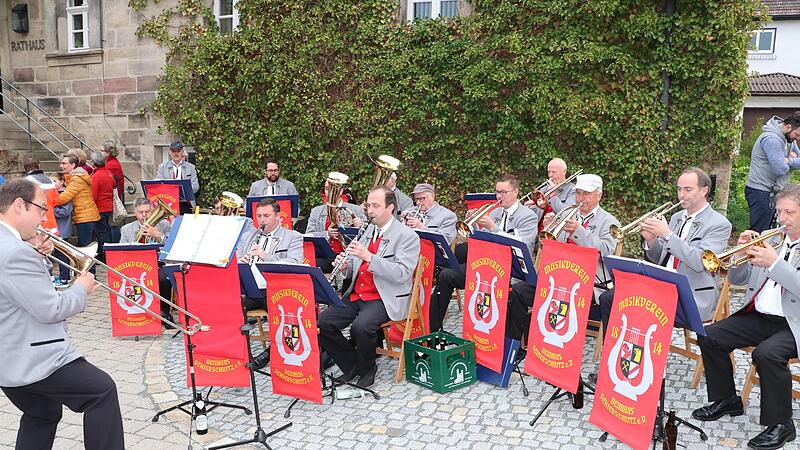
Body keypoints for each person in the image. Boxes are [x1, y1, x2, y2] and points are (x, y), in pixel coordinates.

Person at [0, 178, 124, 449]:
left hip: (8, 360)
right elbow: (50, 309)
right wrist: (81, 289)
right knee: (102, 391)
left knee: (42, 413)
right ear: (19, 206)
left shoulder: (12, 245)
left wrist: (39, 257)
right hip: (32, 359)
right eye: (41, 209)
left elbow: (21, 293)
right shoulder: (14, 251)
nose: (44, 218)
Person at [692, 184, 800, 450]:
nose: (782, 218)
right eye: (779, 211)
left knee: (766, 354)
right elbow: (738, 277)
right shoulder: (770, 239)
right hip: (760, 316)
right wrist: (741, 254)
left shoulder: (774, 251)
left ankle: (782, 424)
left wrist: (774, 263)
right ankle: (728, 399)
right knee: (709, 334)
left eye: (789, 212)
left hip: (793, 322)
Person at [599, 167, 732, 334]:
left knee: (640, 306)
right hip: (663, 287)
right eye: (679, 189)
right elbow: (660, 259)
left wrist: (667, 235)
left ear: (704, 191)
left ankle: (641, 352)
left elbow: (699, 262)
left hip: (690, 295)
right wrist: (651, 240)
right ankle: (616, 351)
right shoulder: (677, 218)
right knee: (609, 298)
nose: (681, 194)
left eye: (688, 189)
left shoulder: (719, 224)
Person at [318, 186, 420, 388]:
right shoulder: (367, 230)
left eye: (375, 206)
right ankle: (352, 365)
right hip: (358, 294)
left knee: (361, 326)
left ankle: (367, 368)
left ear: (390, 208)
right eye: (368, 205)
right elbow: (355, 266)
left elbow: (402, 274)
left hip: (385, 296)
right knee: (323, 322)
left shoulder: (407, 236)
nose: (369, 210)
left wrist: (369, 257)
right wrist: (345, 266)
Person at [506, 174, 619, 341]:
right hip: (556, 278)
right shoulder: (567, 213)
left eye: (586, 194)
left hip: (586, 284)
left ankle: (550, 345)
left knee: (561, 298)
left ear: (599, 195)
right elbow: (550, 247)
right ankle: (513, 344)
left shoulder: (609, 222)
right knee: (518, 291)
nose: (580, 199)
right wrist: (551, 229)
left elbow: (606, 253)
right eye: (578, 193)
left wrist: (579, 232)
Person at [428, 174, 538, 332]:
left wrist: (493, 227)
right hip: (488, 265)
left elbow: (521, 244)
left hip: (510, 270)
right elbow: (482, 242)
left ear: (516, 192)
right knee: (446, 275)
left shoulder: (528, 216)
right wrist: (473, 228)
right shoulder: (494, 214)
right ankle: (435, 330)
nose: (499, 196)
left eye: (503, 192)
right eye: (497, 192)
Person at [237, 198, 305, 369]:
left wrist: (266, 257)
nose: (262, 220)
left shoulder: (292, 237)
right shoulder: (247, 237)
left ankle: (269, 354)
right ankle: (240, 352)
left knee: (284, 317)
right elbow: (233, 260)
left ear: (278, 217)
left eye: (266, 216)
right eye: (259, 216)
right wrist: (240, 261)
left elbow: (296, 263)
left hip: (276, 289)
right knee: (230, 308)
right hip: (250, 288)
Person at [120, 197, 174, 327]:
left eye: (147, 211)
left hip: (158, 262)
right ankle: (138, 314)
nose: (144, 215)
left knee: (164, 279)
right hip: (136, 264)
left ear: (152, 211)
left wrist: (158, 235)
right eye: (141, 212)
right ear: (135, 213)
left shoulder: (164, 225)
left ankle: (165, 313)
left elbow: (172, 245)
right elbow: (121, 250)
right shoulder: (126, 229)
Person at [746, 112, 800, 233]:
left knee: (771, 233)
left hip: (774, 191)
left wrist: (789, 160)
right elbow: (779, 169)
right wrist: (791, 161)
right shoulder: (772, 140)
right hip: (761, 192)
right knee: (759, 233)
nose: (797, 138)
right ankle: (749, 252)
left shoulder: (789, 138)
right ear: (788, 127)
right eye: (797, 134)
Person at [306, 176, 367, 272]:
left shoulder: (356, 210)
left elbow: (369, 235)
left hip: (348, 256)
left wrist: (361, 225)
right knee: (309, 264)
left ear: (341, 191)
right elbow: (309, 234)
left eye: (333, 189)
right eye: (327, 189)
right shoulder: (316, 211)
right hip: (325, 256)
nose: (329, 192)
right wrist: (327, 234)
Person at [57, 152, 101, 263]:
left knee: (85, 250)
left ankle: (90, 276)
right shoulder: (75, 177)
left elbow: (64, 198)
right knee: (85, 248)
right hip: (85, 215)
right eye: (60, 163)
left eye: (64, 163)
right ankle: (89, 275)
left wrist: (49, 200)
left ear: (73, 165)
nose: (61, 166)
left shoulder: (77, 179)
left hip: (85, 217)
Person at [155, 140, 200, 213]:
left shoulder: (191, 167)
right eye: (173, 151)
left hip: (186, 203)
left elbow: (196, 187)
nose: (176, 153)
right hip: (168, 203)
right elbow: (158, 185)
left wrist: (183, 188)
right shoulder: (162, 167)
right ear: (169, 152)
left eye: (178, 151)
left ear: (182, 152)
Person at [90, 152, 115, 259]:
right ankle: (108, 252)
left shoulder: (96, 176)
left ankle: (104, 255)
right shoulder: (108, 174)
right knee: (106, 230)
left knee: (101, 232)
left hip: (100, 207)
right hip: (108, 206)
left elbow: (93, 195)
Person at [51, 173, 74, 287]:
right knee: (60, 254)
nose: (52, 183)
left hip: (63, 229)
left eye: (55, 181)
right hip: (57, 229)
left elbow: (65, 212)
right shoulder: (53, 193)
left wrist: (50, 210)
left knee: (62, 255)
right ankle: (65, 276)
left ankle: (65, 278)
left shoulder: (64, 195)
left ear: (62, 182)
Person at [101, 141, 125, 243]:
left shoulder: (111, 165)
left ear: (108, 152)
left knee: (113, 225)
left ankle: (115, 244)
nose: (100, 153)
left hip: (113, 198)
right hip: (112, 197)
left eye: (102, 151)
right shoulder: (110, 162)